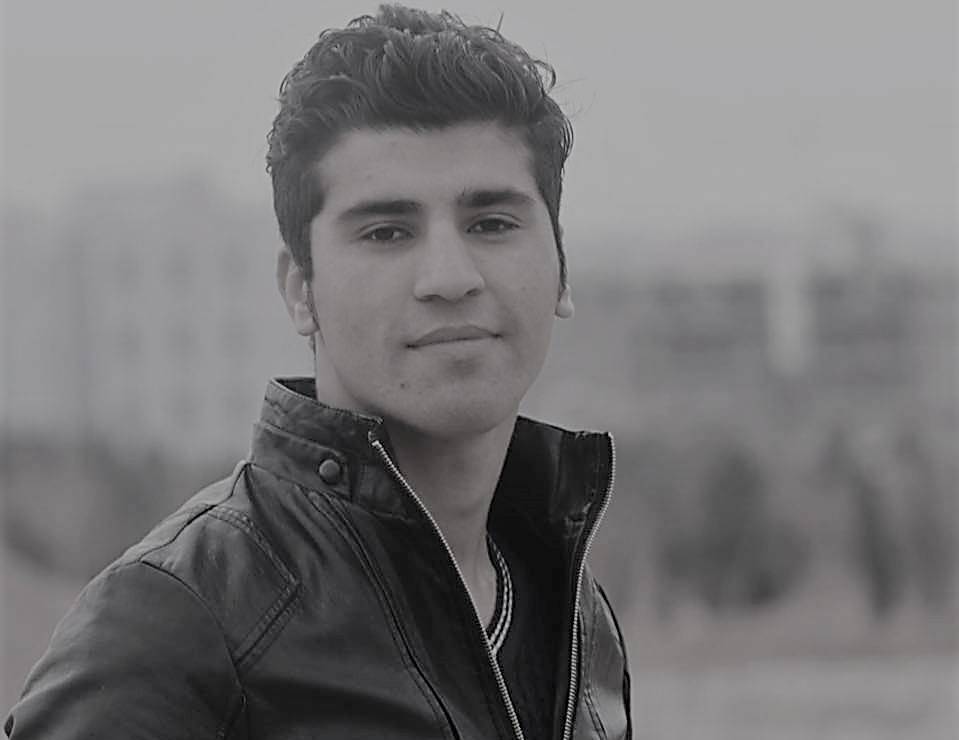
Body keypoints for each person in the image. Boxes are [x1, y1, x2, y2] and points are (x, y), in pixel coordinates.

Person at [5, 5, 631, 738]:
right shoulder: (183, 618)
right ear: (300, 290)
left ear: (561, 270)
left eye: (491, 223)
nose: (450, 276)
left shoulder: (573, 612)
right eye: (386, 231)